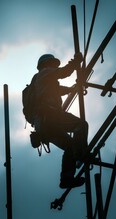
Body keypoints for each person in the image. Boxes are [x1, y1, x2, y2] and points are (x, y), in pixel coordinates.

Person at [30, 53, 88, 189]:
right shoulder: (45, 72)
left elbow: (57, 90)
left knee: (70, 146)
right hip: (50, 116)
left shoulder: (41, 81)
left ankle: (66, 179)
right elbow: (64, 72)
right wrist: (76, 61)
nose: (55, 66)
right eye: (54, 64)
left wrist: (72, 89)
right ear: (47, 64)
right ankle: (80, 154)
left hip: (43, 125)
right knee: (81, 125)